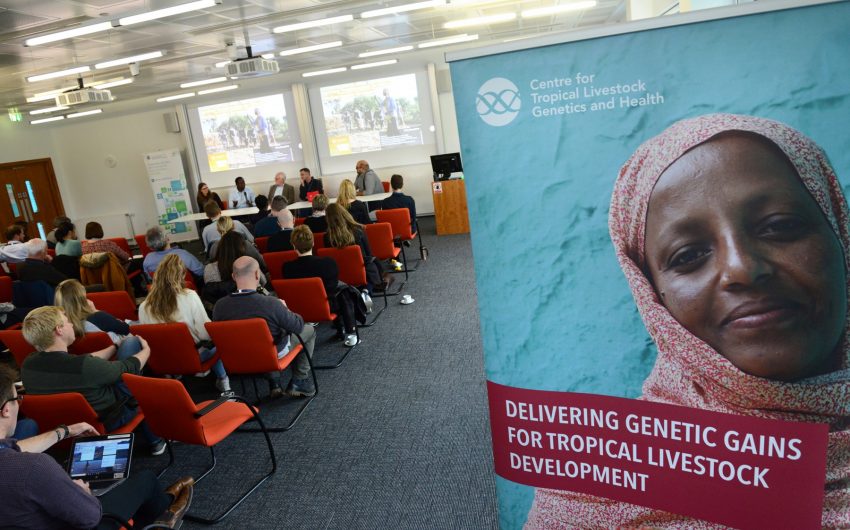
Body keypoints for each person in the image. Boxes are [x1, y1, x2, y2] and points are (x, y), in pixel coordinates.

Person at [525, 114, 850, 528]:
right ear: (652, 295)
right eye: (688, 255)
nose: (742, 269)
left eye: (780, 226)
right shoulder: (593, 495)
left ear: (839, 235)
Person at [0, 364, 194, 530]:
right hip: (76, 522)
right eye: (18, 399)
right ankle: (166, 515)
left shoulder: (19, 461)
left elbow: (13, 449)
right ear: (6, 409)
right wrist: (83, 494)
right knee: (146, 480)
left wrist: (65, 431)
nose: (19, 404)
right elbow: (90, 516)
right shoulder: (34, 467)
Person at [19, 306, 165, 455]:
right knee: (131, 345)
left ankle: (155, 440)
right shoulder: (85, 367)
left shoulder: (28, 365)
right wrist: (147, 350)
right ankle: (155, 440)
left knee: (121, 352)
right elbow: (128, 367)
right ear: (59, 330)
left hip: (60, 427)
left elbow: (85, 361)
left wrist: (115, 346)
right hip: (107, 419)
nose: (71, 324)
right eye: (67, 321)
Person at [213, 256, 316, 398]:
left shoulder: (219, 306)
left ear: (233, 276)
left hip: (238, 358)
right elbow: (297, 326)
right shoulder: (271, 303)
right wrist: (286, 310)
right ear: (257, 274)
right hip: (271, 356)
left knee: (264, 340)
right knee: (309, 330)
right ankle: (300, 379)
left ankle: (274, 383)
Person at [139, 255, 231, 395]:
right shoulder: (189, 296)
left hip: (162, 360)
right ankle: (224, 382)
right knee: (217, 342)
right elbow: (205, 332)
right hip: (192, 358)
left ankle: (176, 377)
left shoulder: (144, 306)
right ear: (181, 276)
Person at [284, 225, 358, 346]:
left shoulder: (287, 268)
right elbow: (333, 287)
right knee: (343, 291)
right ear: (313, 242)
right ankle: (349, 330)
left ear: (293, 245)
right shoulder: (327, 263)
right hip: (325, 307)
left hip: (298, 308)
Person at [54, 278, 143, 359]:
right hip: (118, 356)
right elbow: (126, 328)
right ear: (81, 299)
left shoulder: (61, 328)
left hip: (92, 362)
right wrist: (95, 310)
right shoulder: (97, 317)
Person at [324, 203, 383, 292]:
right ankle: (366, 292)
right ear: (344, 213)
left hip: (340, 274)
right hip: (361, 272)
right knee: (371, 265)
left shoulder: (327, 237)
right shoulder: (358, 230)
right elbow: (368, 254)